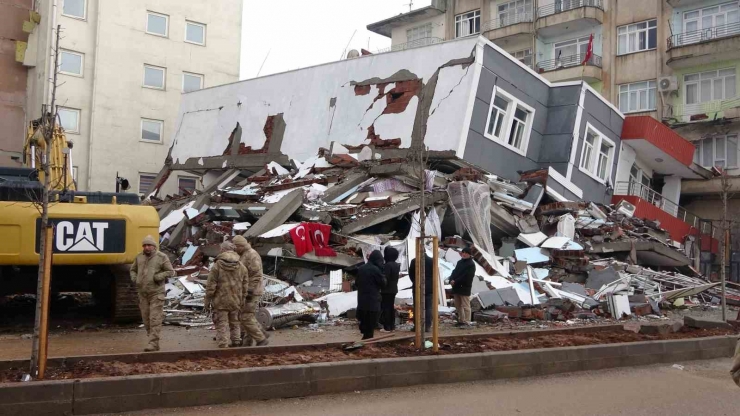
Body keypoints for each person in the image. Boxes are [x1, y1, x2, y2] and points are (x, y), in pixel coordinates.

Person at [130, 235, 175, 352]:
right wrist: (135, 279)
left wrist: (158, 277)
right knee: (146, 319)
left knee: (154, 319)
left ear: (154, 246)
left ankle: (153, 343)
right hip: (142, 293)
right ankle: (153, 341)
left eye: (149, 245)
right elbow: (133, 270)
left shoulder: (161, 257)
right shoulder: (139, 257)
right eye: (144, 245)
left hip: (156, 293)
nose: (146, 247)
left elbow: (170, 271)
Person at [204, 242, 247, 348]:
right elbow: (245, 284)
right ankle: (236, 341)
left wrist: (207, 300)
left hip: (221, 300)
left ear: (223, 250)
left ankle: (223, 344)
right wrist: (243, 298)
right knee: (235, 321)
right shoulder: (241, 266)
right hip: (236, 299)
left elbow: (211, 286)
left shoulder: (217, 266)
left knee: (221, 322)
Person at [232, 235, 269, 347]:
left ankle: (261, 338)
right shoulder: (244, 254)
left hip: (253, 291)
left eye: (236, 246)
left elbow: (256, 275)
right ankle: (249, 341)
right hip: (248, 290)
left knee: (245, 317)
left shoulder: (251, 255)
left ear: (240, 245)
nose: (234, 249)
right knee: (247, 316)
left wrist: (249, 291)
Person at [356, 250, 386, 340]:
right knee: (371, 323)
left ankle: (365, 338)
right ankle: (368, 341)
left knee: (364, 321)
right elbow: (383, 284)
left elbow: (356, 283)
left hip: (362, 300)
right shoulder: (376, 270)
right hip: (373, 300)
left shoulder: (361, 268)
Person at [449, 247, 476, 326]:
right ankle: (461, 320)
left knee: (465, 305)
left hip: (464, 287)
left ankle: (467, 321)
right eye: (463, 252)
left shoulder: (471, 264)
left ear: (469, 254)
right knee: (458, 305)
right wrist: (451, 279)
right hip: (456, 287)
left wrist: (456, 281)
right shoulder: (459, 262)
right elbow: (454, 271)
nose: (464, 254)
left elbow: (467, 276)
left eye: (466, 253)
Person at [408, 252, 434, 333]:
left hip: (418, 286)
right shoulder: (432, 261)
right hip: (429, 287)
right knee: (428, 307)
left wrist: (415, 281)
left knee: (417, 307)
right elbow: (435, 274)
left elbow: (411, 274)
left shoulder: (414, 261)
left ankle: (417, 326)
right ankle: (427, 326)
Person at [380, 246, 400, 332]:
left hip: (386, 290)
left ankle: (387, 327)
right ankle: (392, 326)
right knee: (391, 307)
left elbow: (385, 278)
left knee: (386, 308)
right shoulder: (396, 265)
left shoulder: (388, 265)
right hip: (394, 289)